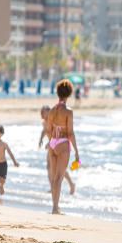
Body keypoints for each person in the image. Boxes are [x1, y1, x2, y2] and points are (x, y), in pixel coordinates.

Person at [45, 80, 80, 214]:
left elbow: (48, 130)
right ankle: (55, 208)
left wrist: (52, 141)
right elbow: (70, 133)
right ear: (69, 94)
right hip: (63, 143)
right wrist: (76, 151)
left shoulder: (52, 111)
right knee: (59, 177)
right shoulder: (68, 112)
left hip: (53, 143)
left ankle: (55, 206)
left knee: (54, 177)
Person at [38, 106, 75, 195]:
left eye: (45, 112)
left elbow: (58, 134)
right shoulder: (44, 122)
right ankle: (52, 187)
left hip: (58, 145)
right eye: (42, 112)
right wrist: (41, 140)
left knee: (58, 168)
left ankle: (71, 184)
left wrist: (50, 143)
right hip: (51, 146)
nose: (44, 114)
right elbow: (44, 131)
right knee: (49, 167)